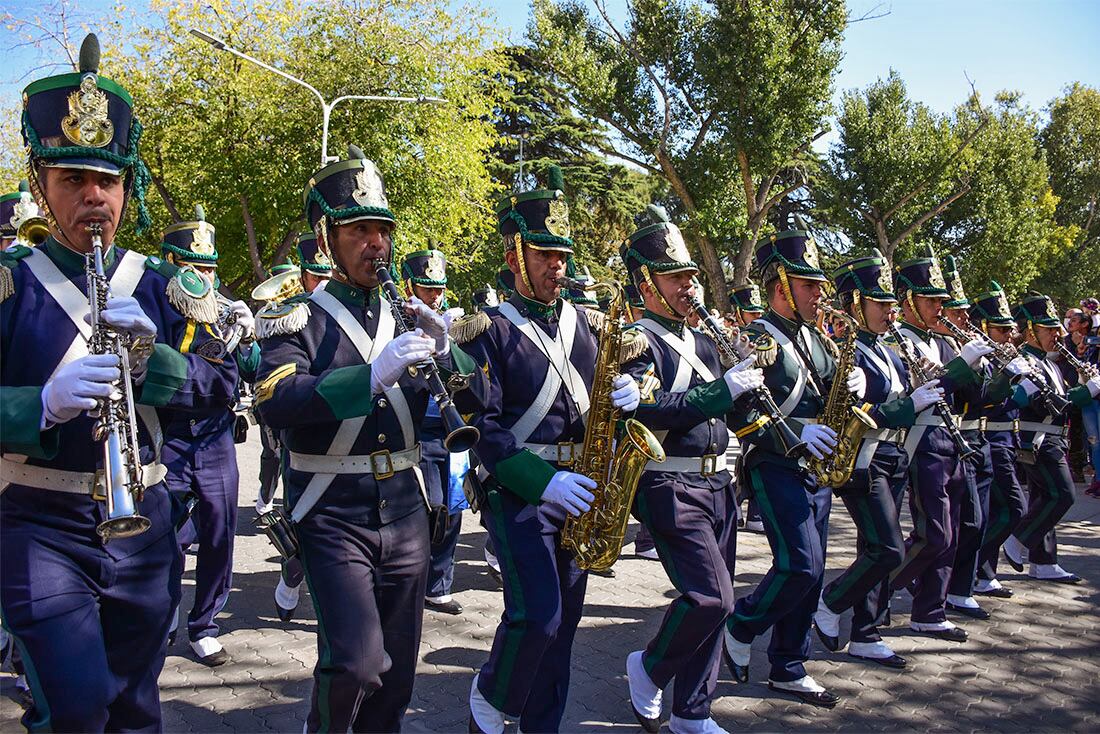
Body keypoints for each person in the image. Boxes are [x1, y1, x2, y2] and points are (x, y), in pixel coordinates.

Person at [0, 33, 237, 730]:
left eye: (107, 181)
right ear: (41, 182)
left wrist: (152, 361)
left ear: (127, 187)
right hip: (39, 522)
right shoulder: (11, 287)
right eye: (73, 179)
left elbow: (226, 382)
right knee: (75, 708)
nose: (93, 197)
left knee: (135, 706)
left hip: (145, 527)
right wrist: (37, 404)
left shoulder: (167, 288)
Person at [254, 145, 489, 731]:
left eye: (382, 230)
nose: (375, 243)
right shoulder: (298, 318)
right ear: (326, 237)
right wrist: (370, 375)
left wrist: (449, 351)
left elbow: (482, 402)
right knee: (357, 662)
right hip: (332, 513)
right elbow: (276, 402)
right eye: (358, 229)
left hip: (408, 509)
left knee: (399, 671)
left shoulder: (409, 317)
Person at [455, 165, 641, 733]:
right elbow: (482, 429)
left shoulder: (587, 325)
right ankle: (490, 693)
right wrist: (543, 482)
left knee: (562, 632)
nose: (556, 267)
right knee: (538, 615)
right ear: (515, 255)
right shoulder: (484, 329)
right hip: (518, 488)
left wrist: (639, 390)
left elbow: (637, 369)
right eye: (543, 255)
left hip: (584, 490)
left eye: (561, 256)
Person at [620, 205, 763, 734]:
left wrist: (750, 392)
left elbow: (735, 408)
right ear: (647, 283)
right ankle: (650, 666)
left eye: (691, 278)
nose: (689, 287)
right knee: (711, 595)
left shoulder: (708, 339)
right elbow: (652, 408)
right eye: (677, 277)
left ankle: (693, 713)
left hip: (718, 480)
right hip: (668, 480)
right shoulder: (640, 339)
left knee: (720, 605)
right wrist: (722, 390)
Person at [721, 225, 860, 708]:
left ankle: (788, 665)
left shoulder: (814, 338)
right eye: (810, 285)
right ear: (781, 286)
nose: (821, 294)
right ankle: (741, 623)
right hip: (775, 461)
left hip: (815, 466)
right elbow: (742, 411)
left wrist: (855, 384)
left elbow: (828, 392)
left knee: (815, 572)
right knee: (799, 565)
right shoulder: (758, 337)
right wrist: (797, 433)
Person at [812, 251, 945, 669]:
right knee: (887, 549)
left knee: (875, 545)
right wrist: (909, 403)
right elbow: (857, 410)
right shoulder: (847, 350)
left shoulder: (889, 348)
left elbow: (898, 396)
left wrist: (923, 381)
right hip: (864, 457)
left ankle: (866, 633)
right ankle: (830, 602)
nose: (890, 310)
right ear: (856, 305)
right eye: (880, 303)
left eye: (891, 303)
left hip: (894, 454)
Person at [158, 207, 259, 665]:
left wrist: (251, 338)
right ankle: (163, 616)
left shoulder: (223, 308)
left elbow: (251, 373)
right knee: (166, 533)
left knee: (220, 528)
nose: (206, 277)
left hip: (216, 434)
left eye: (211, 268)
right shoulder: (155, 301)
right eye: (196, 267)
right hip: (170, 433)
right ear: (173, 264)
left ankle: (204, 624)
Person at [888, 249, 994, 643]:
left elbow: (979, 396)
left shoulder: (943, 343)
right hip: (920, 442)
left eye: (940, 300)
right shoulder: (899, 343)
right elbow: (925, 390)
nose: (939, 307)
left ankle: (929, 611)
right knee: (934, 533)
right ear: (909, 301)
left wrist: (984, 368)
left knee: (957, 529)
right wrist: (961, 365)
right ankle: (878, 586)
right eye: (930, 299)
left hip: (952, 443)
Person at [1002, 292, 1100, 583]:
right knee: (1062, 494)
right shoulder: (1027, 363)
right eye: (1049, 329)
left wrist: (1083, 383)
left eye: (1057, 327)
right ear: (1031, 331)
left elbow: (1063, 397)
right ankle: (1018, 539)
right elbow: (1050, 403)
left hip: (1053, 437)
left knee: (1044, 497)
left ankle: (1044, 562)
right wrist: (1089, 391)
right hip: (1038, 440)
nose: (1058, 334)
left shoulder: (1048, 362)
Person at [401, 248, 469, 615]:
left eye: (440, 289)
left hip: (453, 430)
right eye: (427, 289)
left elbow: (472, 380)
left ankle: (439, 584)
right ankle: (414, 580)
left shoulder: (454, 325)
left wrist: (450, 343)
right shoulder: (394, 323)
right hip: (418, 432)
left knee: (454, 508)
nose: (435, 297)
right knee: (433, 507)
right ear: (409, 286)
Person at [971, 282, 1029, 598]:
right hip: (990, 440)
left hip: (1006, 440)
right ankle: (975, 565)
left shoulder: (1003, 358)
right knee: (1012, 509)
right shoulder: (984, 360)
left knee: (997, 512)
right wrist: (1017, 393)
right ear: (984, 328)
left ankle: (983, 571)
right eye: (1001, 329)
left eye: (1010, 330)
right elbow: (986, 402)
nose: (1009, 336)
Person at [728, 284, 766, 533]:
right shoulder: (735, 338)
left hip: (759, 409)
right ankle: (738, 507)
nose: (757, 317)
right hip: (741, 412)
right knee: (744, 464)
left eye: (758, 312)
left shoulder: (764, 336)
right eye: (751, 313)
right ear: (740, 313)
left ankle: (753, 512)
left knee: (748, 462)